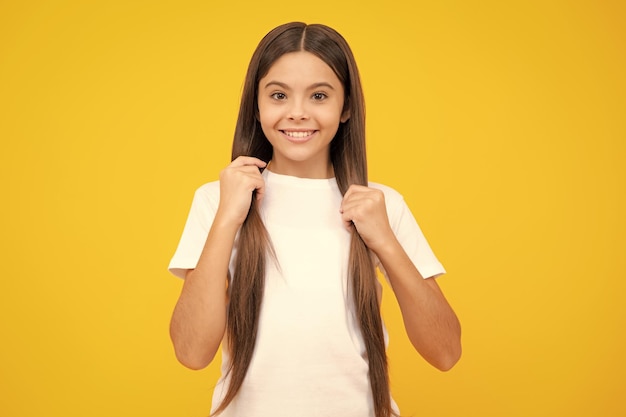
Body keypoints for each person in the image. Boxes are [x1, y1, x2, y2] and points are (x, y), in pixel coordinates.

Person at [168, 22, 461, 417]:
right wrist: (226, 220)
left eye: (319, 95)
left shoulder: (381, 205)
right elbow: (191, 351)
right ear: (256, 106)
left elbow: (445, 352)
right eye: (278, 95)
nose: (298, 113)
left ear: (346, 108)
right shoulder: (216, 201)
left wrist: (386, 242)